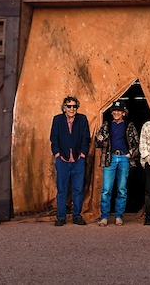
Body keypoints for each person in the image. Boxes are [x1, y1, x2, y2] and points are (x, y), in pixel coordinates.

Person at [93, 99, 139, 226]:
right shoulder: (106, 125)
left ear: (124, 113)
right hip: (110, 158)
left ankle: (119, 216)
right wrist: (99, 139)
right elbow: (98, 143)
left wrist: (131, 154)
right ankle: (104, 216)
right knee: (107, 189)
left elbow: (137, 143)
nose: (116, 113)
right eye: (114, 111)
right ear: (112, 112)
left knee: (121, 189)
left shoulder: (129, 125)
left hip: (124, 158)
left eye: (119, 111)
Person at [49, 95, 90, 226]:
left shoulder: (82, 119)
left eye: (74, 106)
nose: (72, 108)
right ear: (64, 108)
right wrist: (57, 154)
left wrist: (83, 154)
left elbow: (86, 138)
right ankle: (61, 217)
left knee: (78, 189)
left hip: (78, 160)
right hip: (63, 160)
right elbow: (53, 139)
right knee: (62, 189)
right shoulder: (57, 120)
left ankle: (77, 216)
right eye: (69, 106)